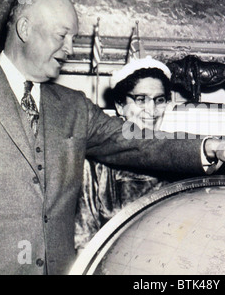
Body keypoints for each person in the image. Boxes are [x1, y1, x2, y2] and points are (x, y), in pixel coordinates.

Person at [0, 0, 225, 275]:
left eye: (73, 38)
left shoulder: (73, 106)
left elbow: (140, 141)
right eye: (63, 36)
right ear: (24, 29)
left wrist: (213, 147)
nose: (70, 48)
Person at [75, 57, 176, 250]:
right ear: (120, 106)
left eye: (159, 100)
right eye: (140, 99)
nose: (151, 110)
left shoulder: (180, 156)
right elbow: (83, 243)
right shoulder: (95, 166)